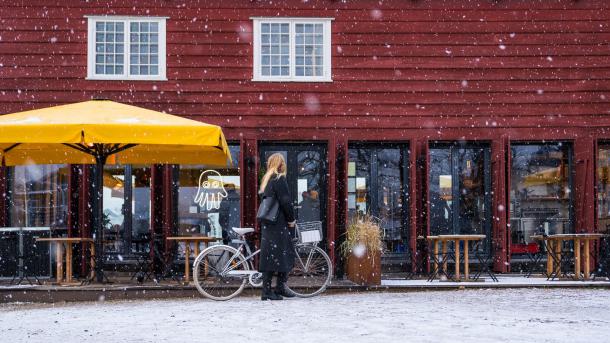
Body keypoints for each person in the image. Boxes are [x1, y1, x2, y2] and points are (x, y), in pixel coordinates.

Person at [258, 153, 296, 301]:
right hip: (278, 223)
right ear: (281, 164)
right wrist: (291, 219)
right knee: (285, 253)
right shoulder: (279, 179)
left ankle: (267, 290)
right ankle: (279, 286)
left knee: (270, 256)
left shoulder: (266, 180)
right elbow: (286, 202)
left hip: (268, 224)